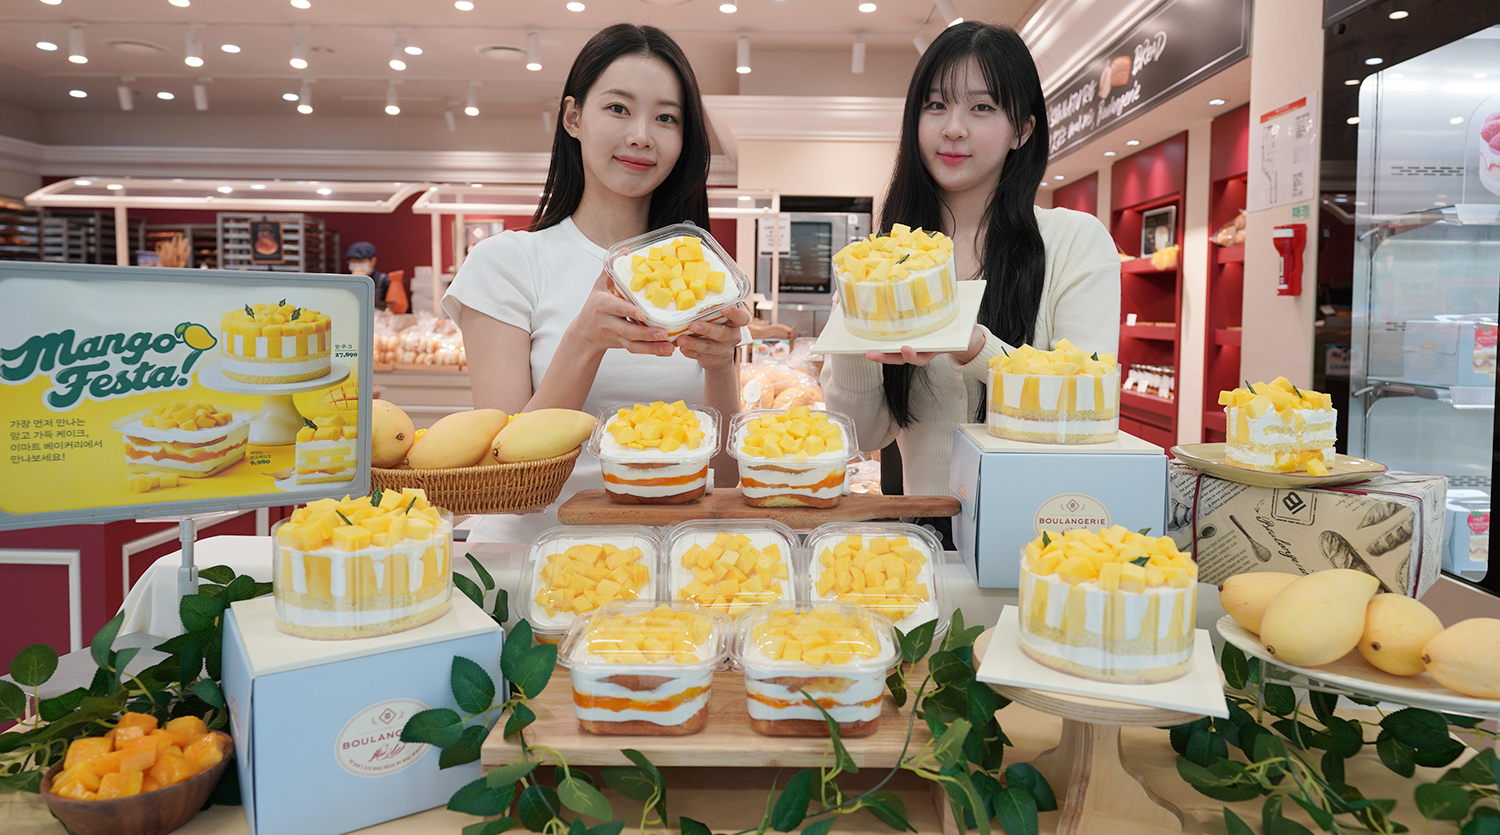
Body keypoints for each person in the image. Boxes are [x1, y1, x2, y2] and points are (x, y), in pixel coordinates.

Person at [443, 24, 748, 544]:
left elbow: (723, 479)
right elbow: (506, 483)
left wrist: (720, 366)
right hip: (533, 560)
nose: (642, 135)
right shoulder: (507, 263)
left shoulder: (701, 276)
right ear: (573, 117)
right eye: (618, 108)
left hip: (666, 562)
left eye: (666, 117)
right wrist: (584, 341)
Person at [822, 21, 1121, 547]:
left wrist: (974, 345)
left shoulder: (1075, 240)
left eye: (981, 107)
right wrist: (855, 327)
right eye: (936, 105)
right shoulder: (883, 262)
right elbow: (862, 434)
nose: (953, 128)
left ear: (1022, 130)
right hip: (925, 537)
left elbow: (1087, 403)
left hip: (1045, 539)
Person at [346, 242, 391, 311]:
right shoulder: (346, 281)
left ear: (373, 261)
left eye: (360, 261)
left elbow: (393, 305)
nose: (356, 264)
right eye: (353, 261)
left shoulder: (383, 280)